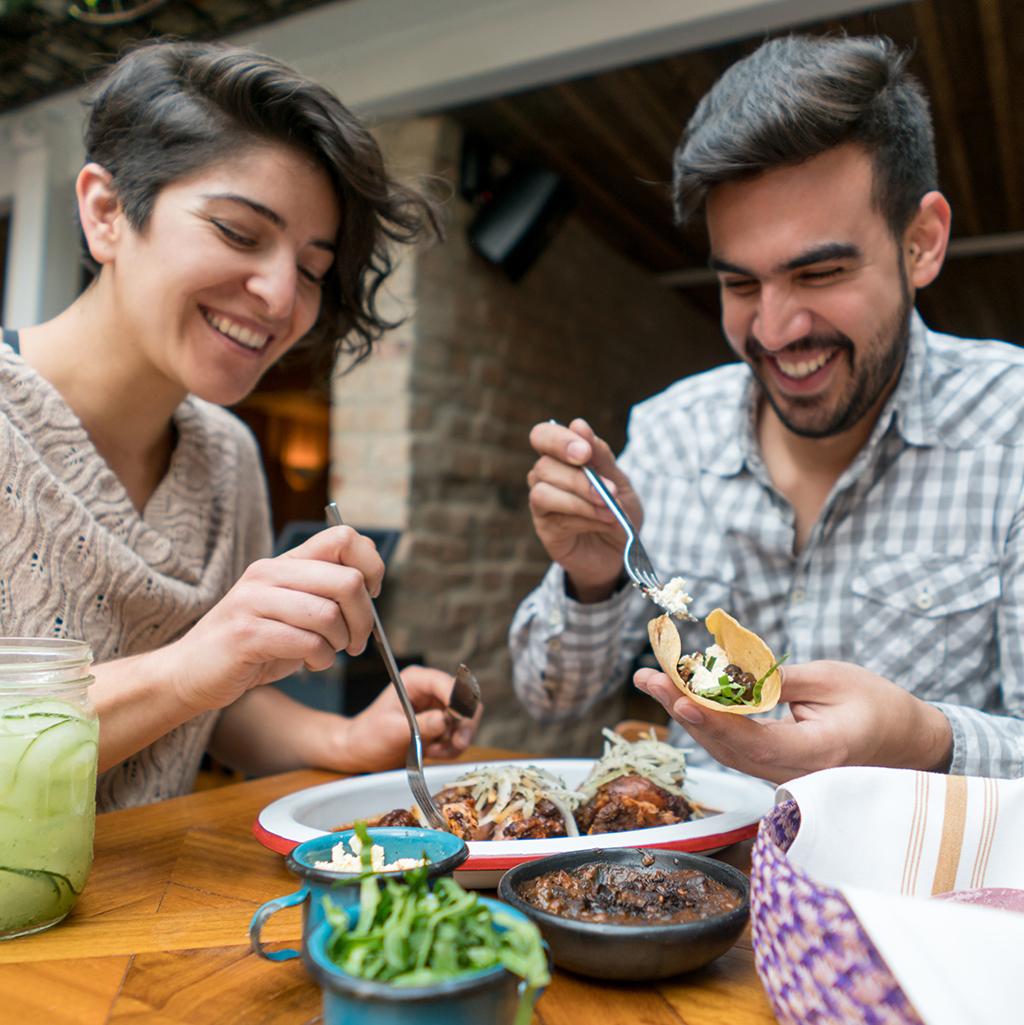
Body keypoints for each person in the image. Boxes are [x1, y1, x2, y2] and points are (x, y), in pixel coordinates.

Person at [510, 34, 1024, 783]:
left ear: (922, 242)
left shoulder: (1012, 428)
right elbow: (548, 694)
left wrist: (920, 735)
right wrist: (596, 581)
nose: (776, 332)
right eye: (741, 285)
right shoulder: (671, 432)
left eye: (818, 272)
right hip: (686, 890)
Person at [0, 40, 479, 812]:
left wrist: (343, 740)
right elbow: (192, 670)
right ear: (107, 212)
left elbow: (206, 702)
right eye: (238, 231)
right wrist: (196, 660)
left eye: (314, 269)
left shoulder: (227, 456)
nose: (282, 296)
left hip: (160, 911)